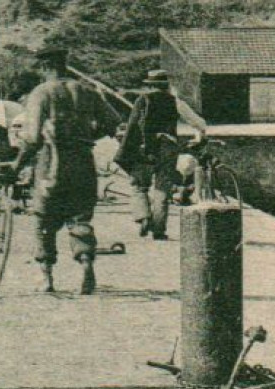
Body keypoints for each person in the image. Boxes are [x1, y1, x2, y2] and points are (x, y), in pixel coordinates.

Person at [12, 47, 121, 295]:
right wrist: (88, 135)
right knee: (81, 217)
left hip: (52, 163)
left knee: (43, 219)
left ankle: (47, 278)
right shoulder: (86, 90)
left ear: (44, 67)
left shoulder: (41, 92)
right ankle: (86, 267)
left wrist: (16, 165)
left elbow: (32, 138)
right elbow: (113, 121)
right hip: (83, 161)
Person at [115, 69, 181, 240]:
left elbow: (132, 127)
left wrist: (125, 149)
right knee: (162, 189)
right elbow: (198, 121)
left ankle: (144, 217)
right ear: (166, 85)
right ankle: (159, 230)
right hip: (168, 147)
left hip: (145, 148)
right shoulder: (175, 101)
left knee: (139, 186)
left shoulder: (142, 100)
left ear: (149, 85)